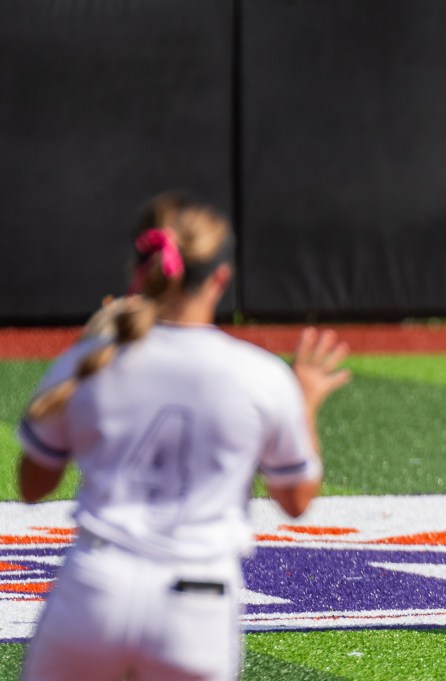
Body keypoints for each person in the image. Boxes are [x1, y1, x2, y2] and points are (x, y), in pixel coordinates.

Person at [16, 192, 352, 680]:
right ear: (220, 278)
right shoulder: (258, 374)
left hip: (94, 591)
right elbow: (296, 498)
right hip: (197, 608)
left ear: (139, 266)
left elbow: (33, 485)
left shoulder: (89, 361)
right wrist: (304, 404)